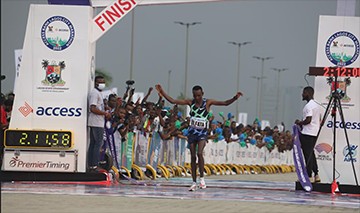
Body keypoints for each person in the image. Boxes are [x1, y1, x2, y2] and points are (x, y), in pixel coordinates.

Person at [155, 84, 242, 191]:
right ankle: (193, 182)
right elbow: (173, 101)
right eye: (195, 96)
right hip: (192, 132)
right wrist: (162, 91)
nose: (197, 98)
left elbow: (224, 103)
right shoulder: (190, 102)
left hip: (202, 133)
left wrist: (235, 98)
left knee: (200, 153)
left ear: (202, 94)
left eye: (199, 96)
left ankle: (202, 179)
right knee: (192, 157)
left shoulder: (208, 102)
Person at [295, 86, 321, 183]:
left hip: (308, 133)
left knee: (307, 156)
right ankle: (316, 174)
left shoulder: (309, 106)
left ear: (308, 93)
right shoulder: (316, 105)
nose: (302, 94)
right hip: (314, 133)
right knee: (311, 154)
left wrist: (299, 122)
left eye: (304, 92)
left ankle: (309, 176)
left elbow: (308, 120)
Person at [87, 76, 111, 172]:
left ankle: (92, 165)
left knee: (94, 143)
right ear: (96, 83)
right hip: (96, 122)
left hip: (98, 122)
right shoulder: (94, 93)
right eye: (100, 82)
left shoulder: (99, 93)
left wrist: (105, 108)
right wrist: (104, 113)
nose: (102, 83)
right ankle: (94, 165)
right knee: (97, 144)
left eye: (103, 82)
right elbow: (92, 108)